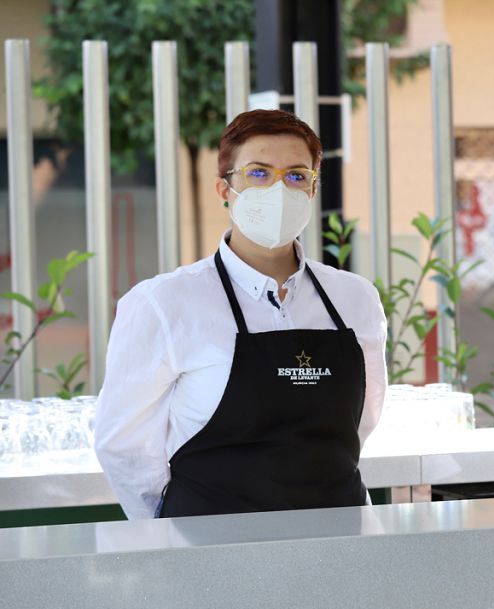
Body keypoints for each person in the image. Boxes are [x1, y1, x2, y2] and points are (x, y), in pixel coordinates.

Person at [95, 109, 387, 519]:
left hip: (339, 538)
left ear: (312, 190)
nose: (279, 189)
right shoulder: (163, 304)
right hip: (211, 550)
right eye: (259, 173)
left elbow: (364, 420)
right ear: (224, 190)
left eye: (296, 176)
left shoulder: (355, 298)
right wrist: (169, 534)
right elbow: (124, 446)